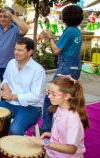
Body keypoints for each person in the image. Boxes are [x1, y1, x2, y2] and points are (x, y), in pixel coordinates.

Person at [0, 37, 46, 154]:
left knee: (15, 129)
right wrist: (6, 88)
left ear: (30, 52)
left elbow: (36, 96)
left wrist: (13, 96)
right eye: (15, 49)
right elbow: (6, 80)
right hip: (10, 103)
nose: (16, 52)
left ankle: (15, 149)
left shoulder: (38, 70)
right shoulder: (11, 63)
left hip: (31, 108)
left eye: (20, 50)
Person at [40, 5, 84, 133]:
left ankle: (47, 128)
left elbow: (56, 50)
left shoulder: (69, 30)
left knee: (51, 97)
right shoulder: (76, 31)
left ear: (65, 17)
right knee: (67, 97)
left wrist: (50, 38)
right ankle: (64, 125)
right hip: (75, 67)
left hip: (66, 68)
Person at [28, 75, 89, 158]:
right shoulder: (60, 108)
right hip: (53, 152)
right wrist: (47, 133)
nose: (49, 96)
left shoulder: (72, 119)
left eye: (54, 94)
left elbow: (71, 149)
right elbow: (61, 133)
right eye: (49, 92)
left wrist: (44, 142)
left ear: (67, 96)